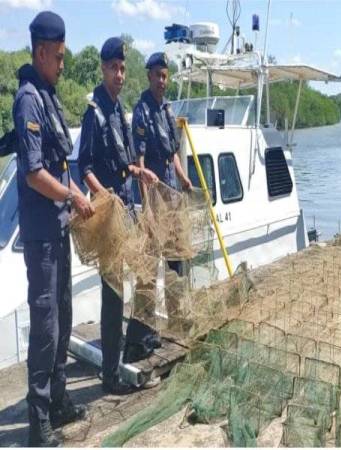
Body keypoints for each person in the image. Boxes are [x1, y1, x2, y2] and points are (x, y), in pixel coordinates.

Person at [14, 11, 94, 447]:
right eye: (59, 57)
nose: (63, 64)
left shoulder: (49, 96)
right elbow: (32, 174)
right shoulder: (28, 99)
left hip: (59, 229)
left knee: (62, 318)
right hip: (42, 234)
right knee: (45, 327)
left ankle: (59, 401)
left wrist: (75, 192)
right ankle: (38, 421)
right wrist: (71, 196)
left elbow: (61, 161)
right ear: (42, 52)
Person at [78, 36, 158, 395]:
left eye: (124, 68)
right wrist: (102, 197)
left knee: (133, 280)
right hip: (109, 214)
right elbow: (85, 168)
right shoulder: (94, 111)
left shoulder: (117, 109)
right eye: (114, 68)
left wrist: (139, 172)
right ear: (103, 68)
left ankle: (129, 347)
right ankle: (110, 376)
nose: (120, 74)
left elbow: (124, 161)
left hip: (126, 208)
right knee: (112, 294)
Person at [130, 52, 192, 345]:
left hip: (171, 196)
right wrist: (148, 209)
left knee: (175, 259)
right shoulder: (142, 110)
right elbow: (140, 160)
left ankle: (177, 319)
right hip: (153, 198)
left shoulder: (168, 109)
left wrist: (182, 177)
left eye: (165, 76)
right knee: (150, 265)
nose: (162, 81)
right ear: (148, 76)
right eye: (157, 75)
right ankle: (146, 329)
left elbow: (171, 154)